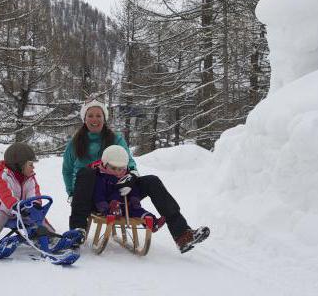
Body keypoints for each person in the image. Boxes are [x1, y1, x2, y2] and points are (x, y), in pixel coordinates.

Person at [62, 98, 209, 253]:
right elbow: (67, 170)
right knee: (87, 172)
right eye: (90, 115)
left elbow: (130, 163)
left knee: (152, 181)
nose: (94, 119)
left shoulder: (115, 139)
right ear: (84, 119)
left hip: (117, 192)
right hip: (92, 195)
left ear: (104, 119)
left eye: (99, 115)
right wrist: (72, 193)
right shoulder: (76, 143)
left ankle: (182, 234)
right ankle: (77, 230)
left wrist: (130, 177)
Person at [0, 142, 51, 250]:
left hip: (20, 208)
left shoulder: (29, 178)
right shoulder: (3, 177)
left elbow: (34, 192)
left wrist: (35, 205)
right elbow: (6, 196)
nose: (33, 168)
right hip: (0, 208)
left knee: (38, 216)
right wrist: (16, 205)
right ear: (19, 165)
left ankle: (50, 237)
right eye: (30, 164)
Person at [93, 145, 166, 232]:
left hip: (126, 205)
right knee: (113, 209)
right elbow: (98, 194)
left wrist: (134, 199)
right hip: (108, 205)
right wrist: (104, 206)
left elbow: (133, 188)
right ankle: (114, 211)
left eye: (120, 169)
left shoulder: (126, 177)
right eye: (113, 168)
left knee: (138, 211)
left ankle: (153, 222)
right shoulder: (101, 178)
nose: (117, 171)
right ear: (105, 164)